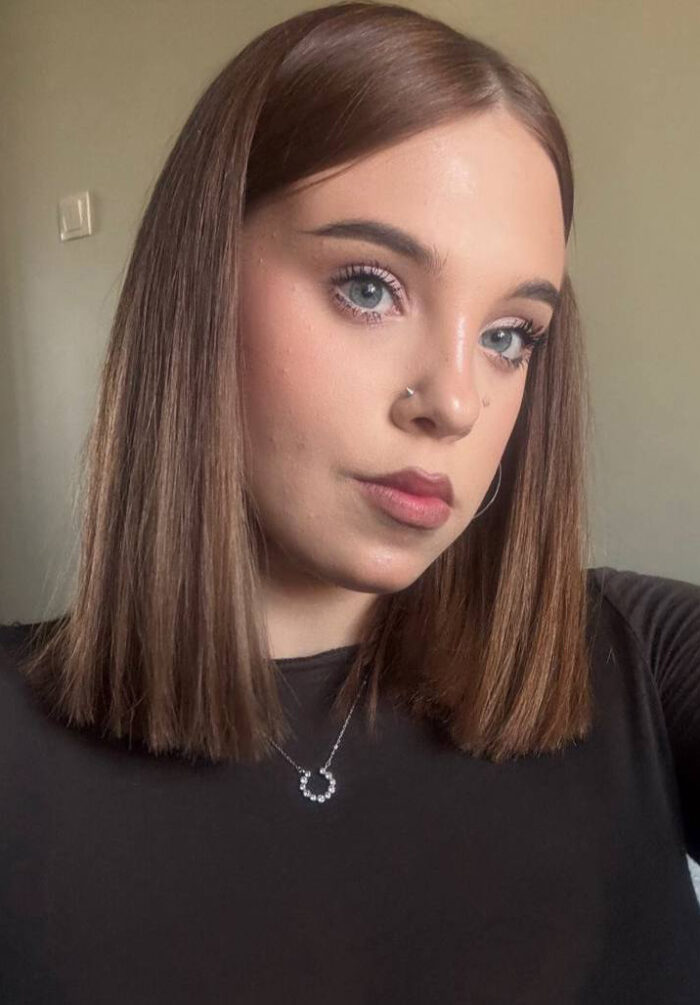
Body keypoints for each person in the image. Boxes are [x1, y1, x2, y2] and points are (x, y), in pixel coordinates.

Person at [1, 2, 698, 1002]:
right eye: (370, 287)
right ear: (199, 284)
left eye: (509, 335)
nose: (455, 401)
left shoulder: (636, 658)